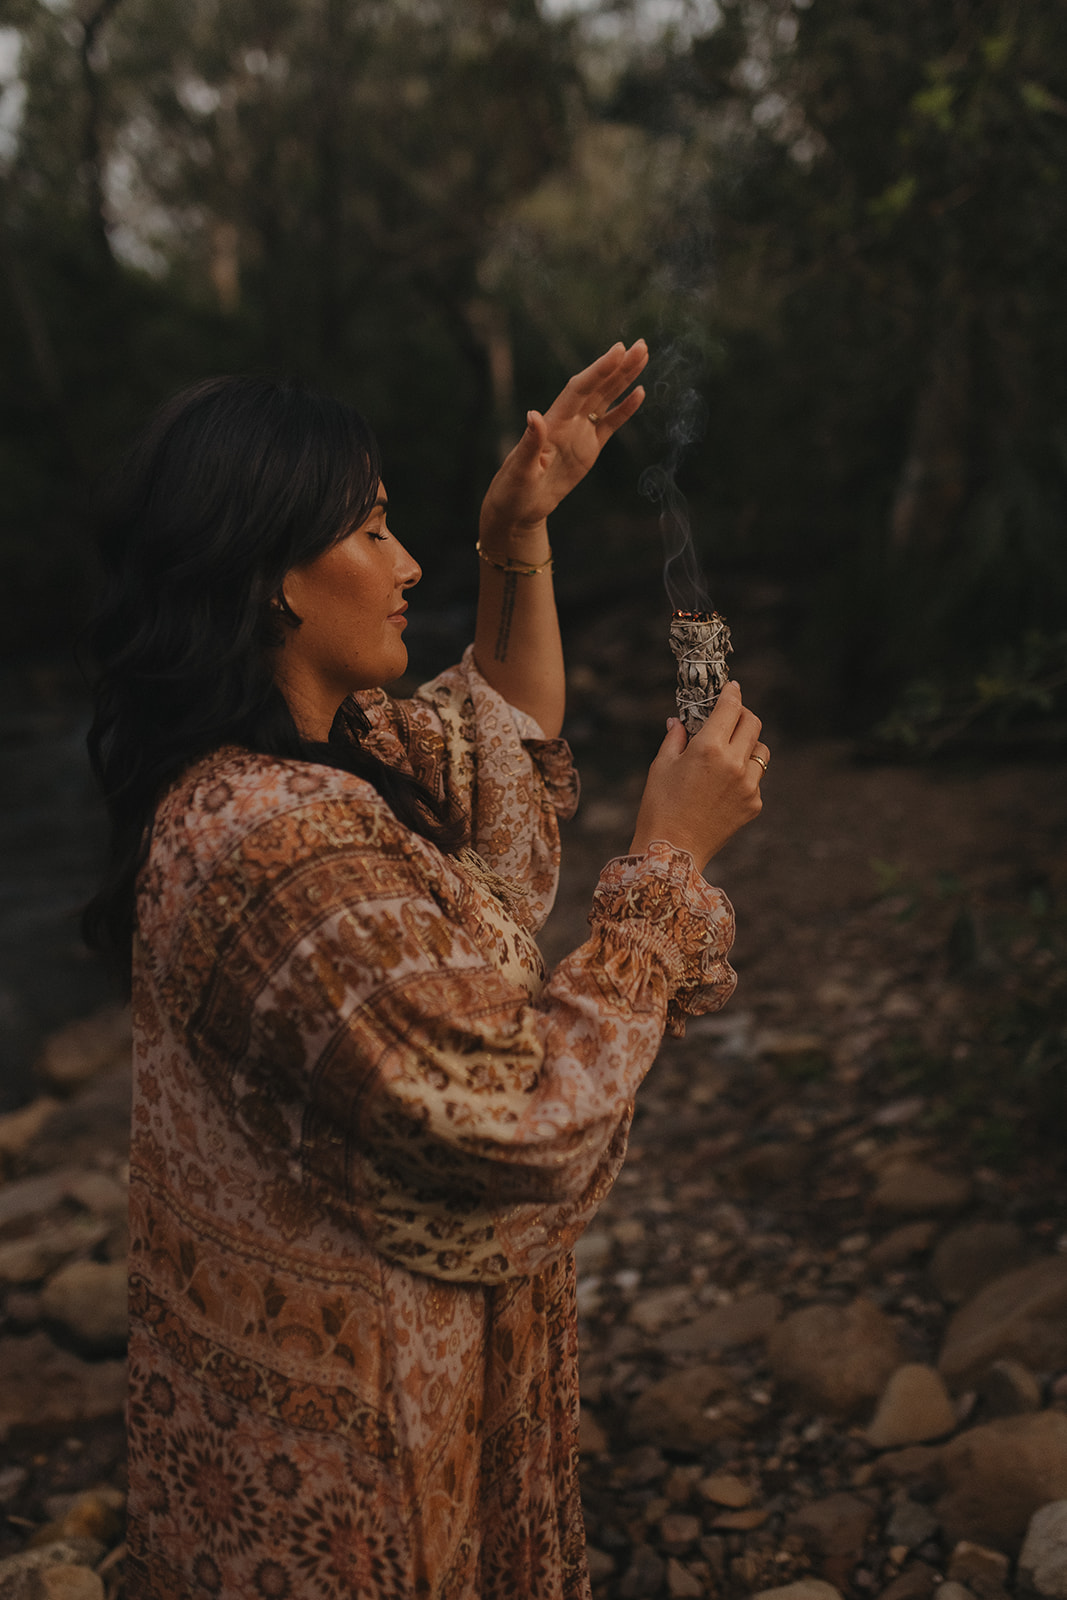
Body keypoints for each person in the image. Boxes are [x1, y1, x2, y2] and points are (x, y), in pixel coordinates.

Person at [84, 340, 768, 1600]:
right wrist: (667, 862)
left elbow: (499, 738)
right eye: (374, 530)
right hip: (353, 1465)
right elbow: (510, 1122)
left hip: (381, 1399)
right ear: (267, 576)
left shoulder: (329, 755)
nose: (407, 567)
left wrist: (516, 531)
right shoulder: (272, 840)